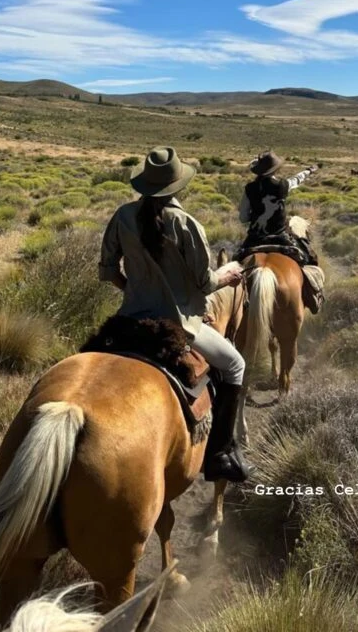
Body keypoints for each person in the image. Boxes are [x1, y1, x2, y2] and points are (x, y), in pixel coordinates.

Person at [98, 146, 251, 483]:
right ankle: (221, 455)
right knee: (236, 364)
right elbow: (205, 283)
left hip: (130, 321)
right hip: (181, 326)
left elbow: (108, 271)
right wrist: (228, 274)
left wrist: (136, 292)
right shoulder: (186, 223)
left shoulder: (123, 216)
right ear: (178, 185)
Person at [235, 150, 325, 313]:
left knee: (234, 263)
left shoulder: (250, 188)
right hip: (280, 237)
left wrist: (254, 214)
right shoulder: (282, 185)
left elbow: (243, 218)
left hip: (255, 238)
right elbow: (296, 180)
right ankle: (314, 297)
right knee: (309, 257)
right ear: (275, 169)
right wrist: (308, 171)